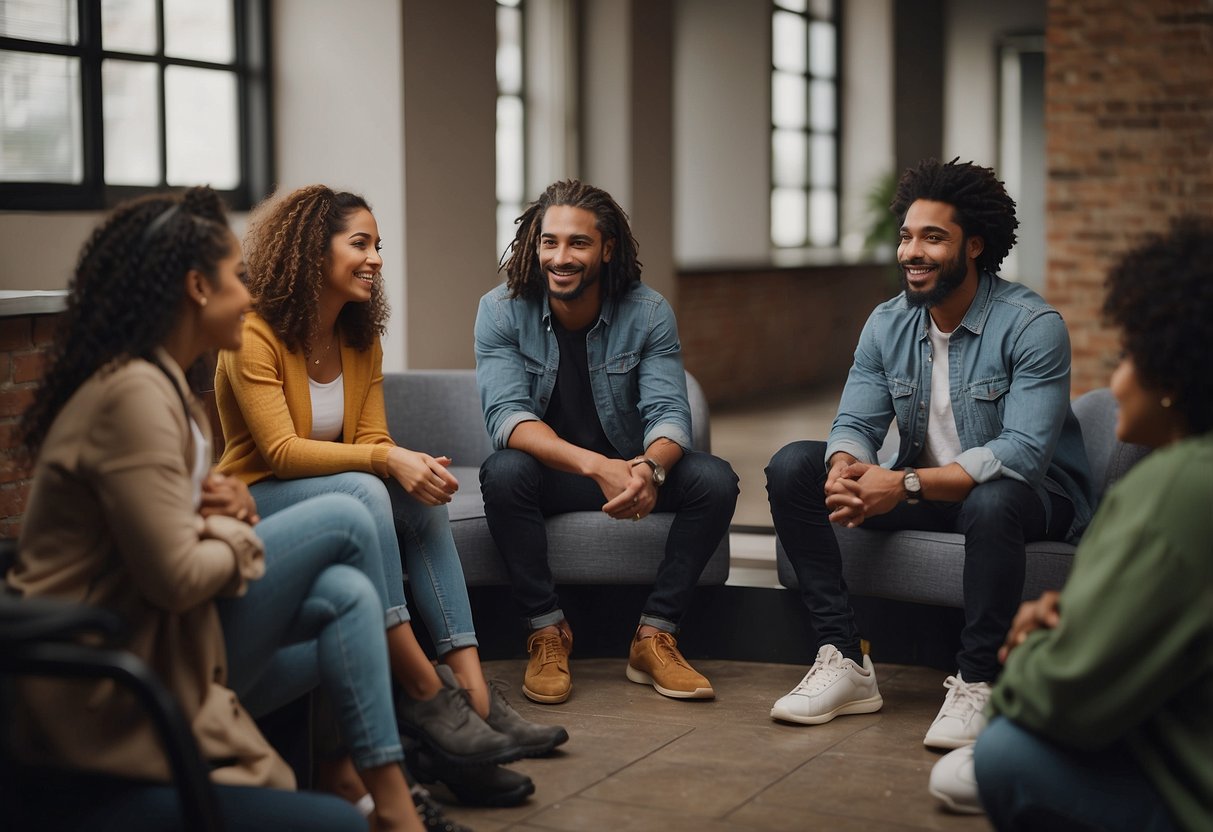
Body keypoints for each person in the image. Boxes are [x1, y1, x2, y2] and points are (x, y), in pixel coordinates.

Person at [6, 188, 438, 831]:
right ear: (197, 289)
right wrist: (239, 530)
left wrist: (224, 507)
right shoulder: (132, 395)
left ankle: (385, 800)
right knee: (351, 514)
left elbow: (169, 526)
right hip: (111, 680)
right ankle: (421, 727)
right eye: (237, 276)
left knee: (348, 593)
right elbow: (177, 574)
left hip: (168, 640)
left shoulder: (163, 387)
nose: (250, 292)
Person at [214, 184, 563, 804]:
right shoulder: (253, 334)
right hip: (259, 500)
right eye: (360, 243)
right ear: (310, 253)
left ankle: (471, 696)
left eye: (378, 245)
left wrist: (407, 465)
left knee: (414, 495)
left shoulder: (358, 335)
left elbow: (371, 436)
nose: (376, 257)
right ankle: (426, 696)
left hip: (335, 494)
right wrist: (386, 459)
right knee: (366, 488)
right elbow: (281, 452)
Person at [765, 158, 1094, 748]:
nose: (911, 251)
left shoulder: (1031, 324)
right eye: (907, 235)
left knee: (993, 502)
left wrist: (904, 484)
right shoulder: (887, 322)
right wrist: (845, 467)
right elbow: (855, 421)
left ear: (973, 246)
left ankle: (978, 681)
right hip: (934, 490)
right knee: (794, 465)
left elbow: (1020, 454)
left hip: (1035, 496)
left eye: (932, 237)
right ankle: (844, 659)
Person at [929, 218, 1213, 830]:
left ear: (1173, 371)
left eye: (1130, 354)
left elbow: (1058, 697)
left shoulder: (1173, 491)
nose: (1115, 381)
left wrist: (1029, 652)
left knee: (1001, 754)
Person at [474, 179, 739, 704]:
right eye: (550, 242)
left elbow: (668, 413)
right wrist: (596, 465)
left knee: (715, 479)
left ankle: (655, 635)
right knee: (503, 472)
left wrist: (649, 470)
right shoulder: (500, 310)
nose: (560, 257)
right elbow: (508, 417)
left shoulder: (649, 311)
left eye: (578, 243)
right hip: (560, 477)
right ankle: (547, 632)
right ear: (535, 244)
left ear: (607, 248)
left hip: (631, 474)